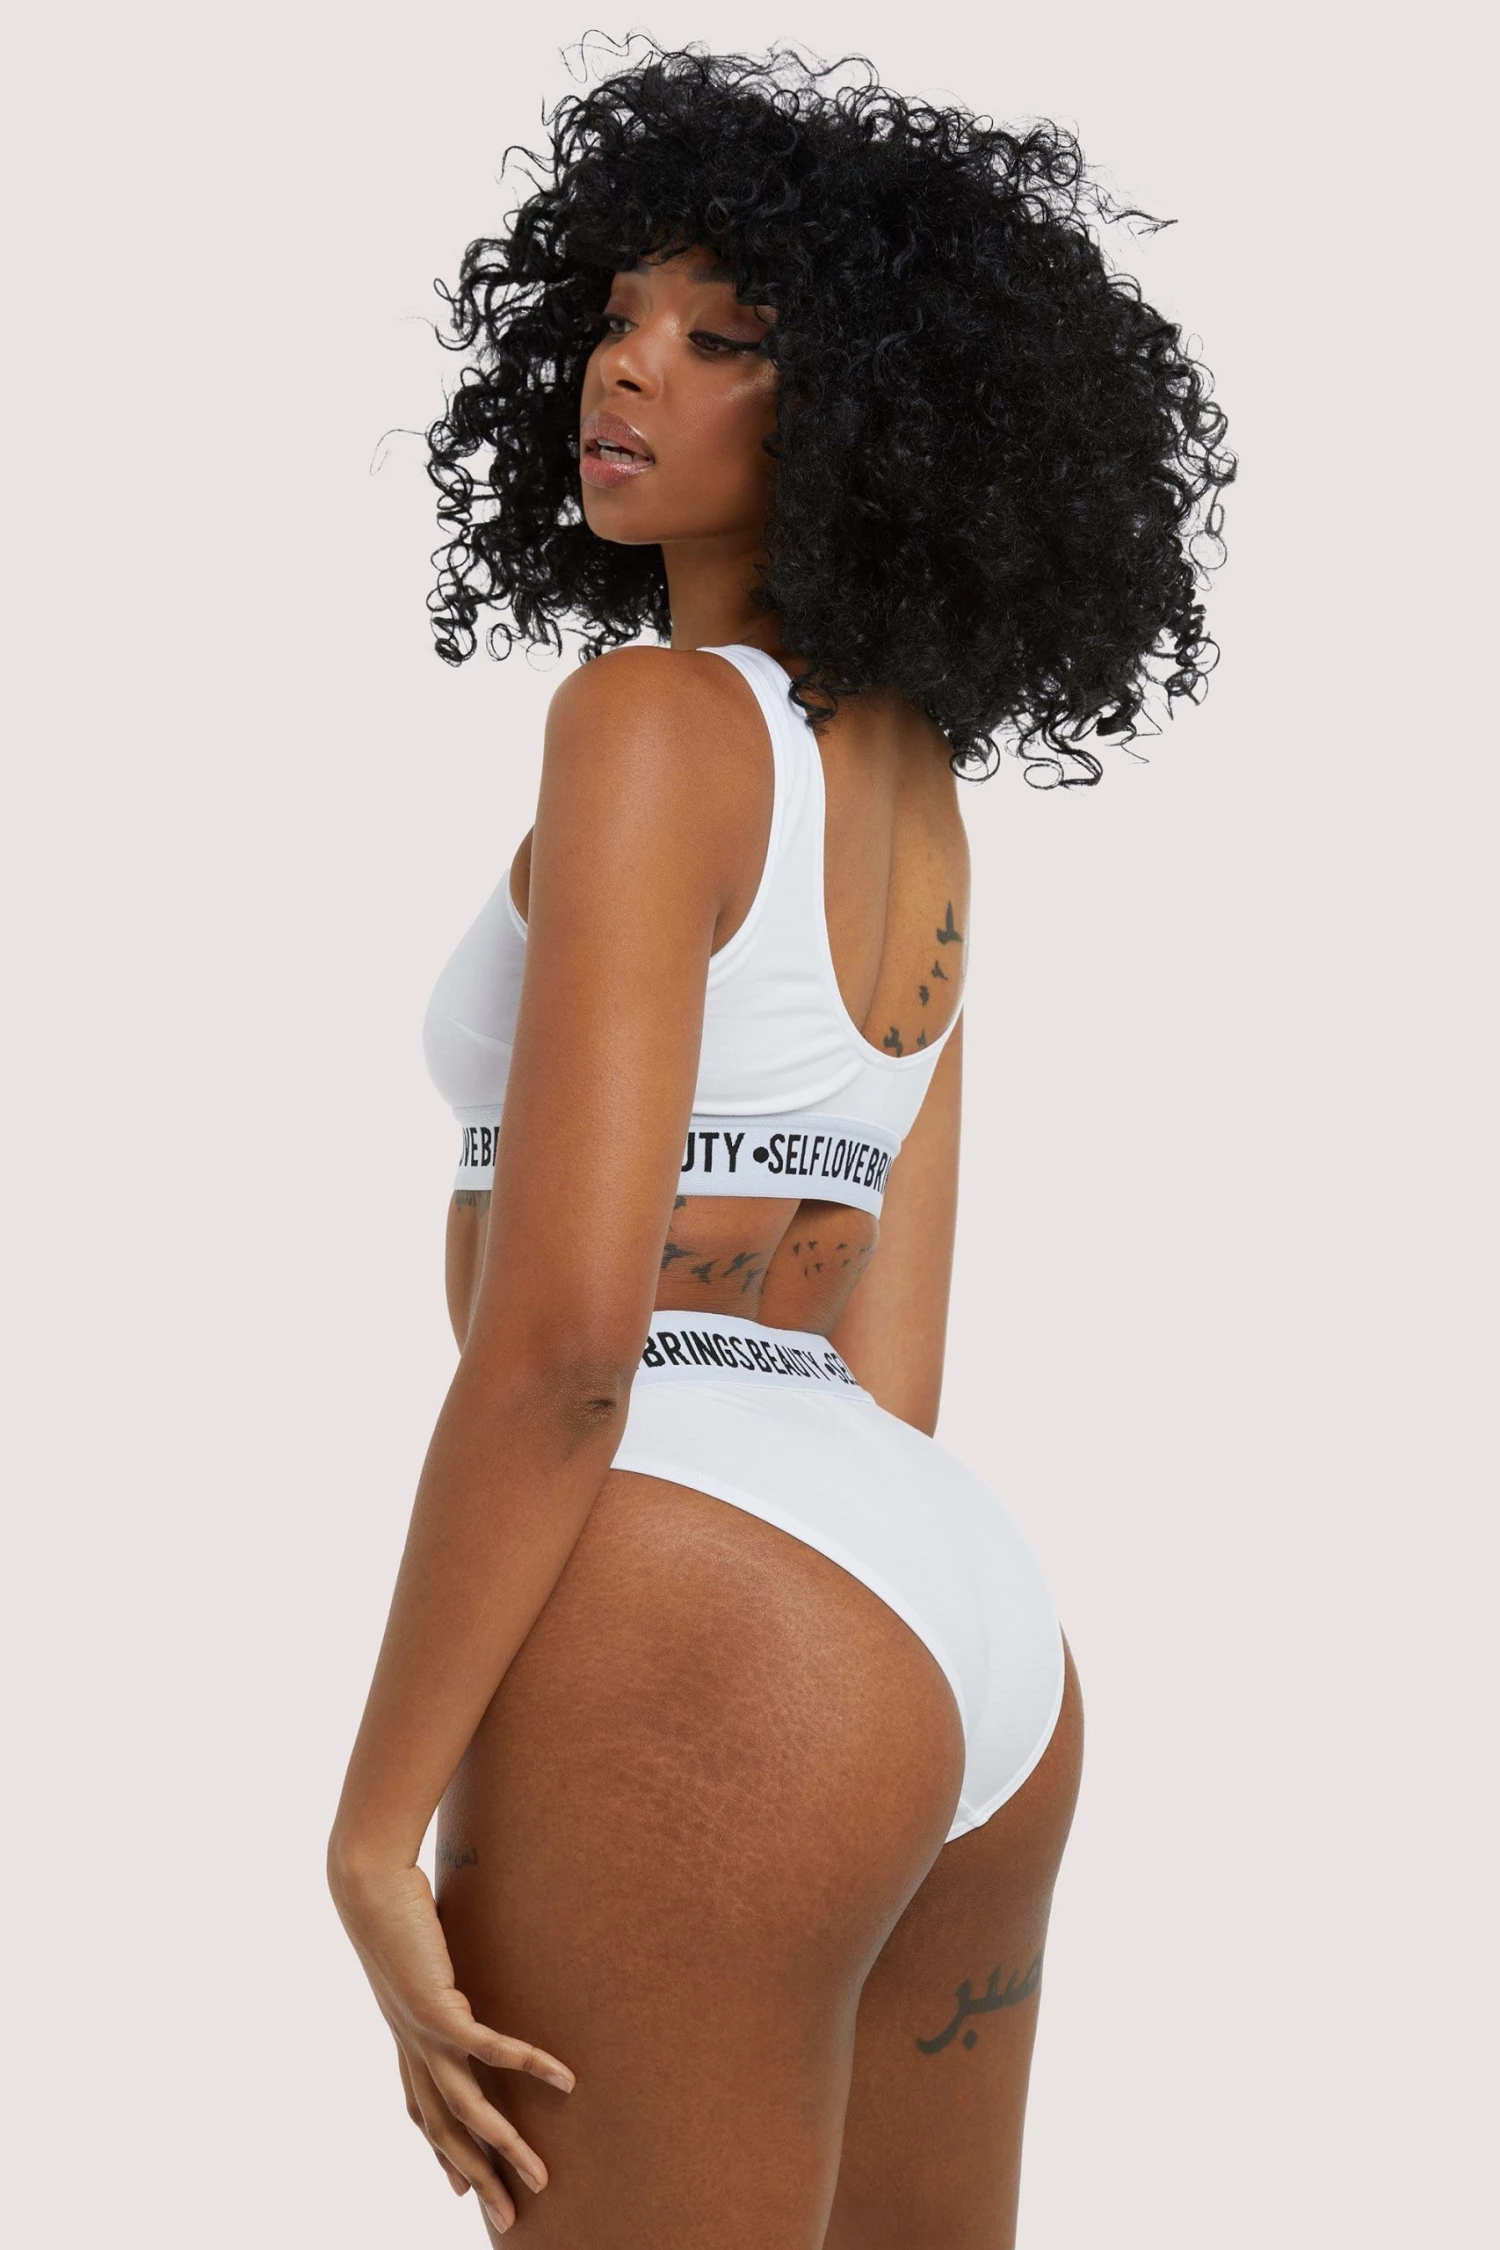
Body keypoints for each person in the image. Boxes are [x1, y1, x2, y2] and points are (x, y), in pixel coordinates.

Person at [328, 42, 1233, 2248]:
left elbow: (563, 1350)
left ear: (863, 421)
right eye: (619, 313)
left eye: (723, 339)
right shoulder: (911, 783)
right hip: (950, 1623)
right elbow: (885, 1368)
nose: (628, 366)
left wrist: (372, 1822)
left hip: (694, 1604)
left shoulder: (646, 725)